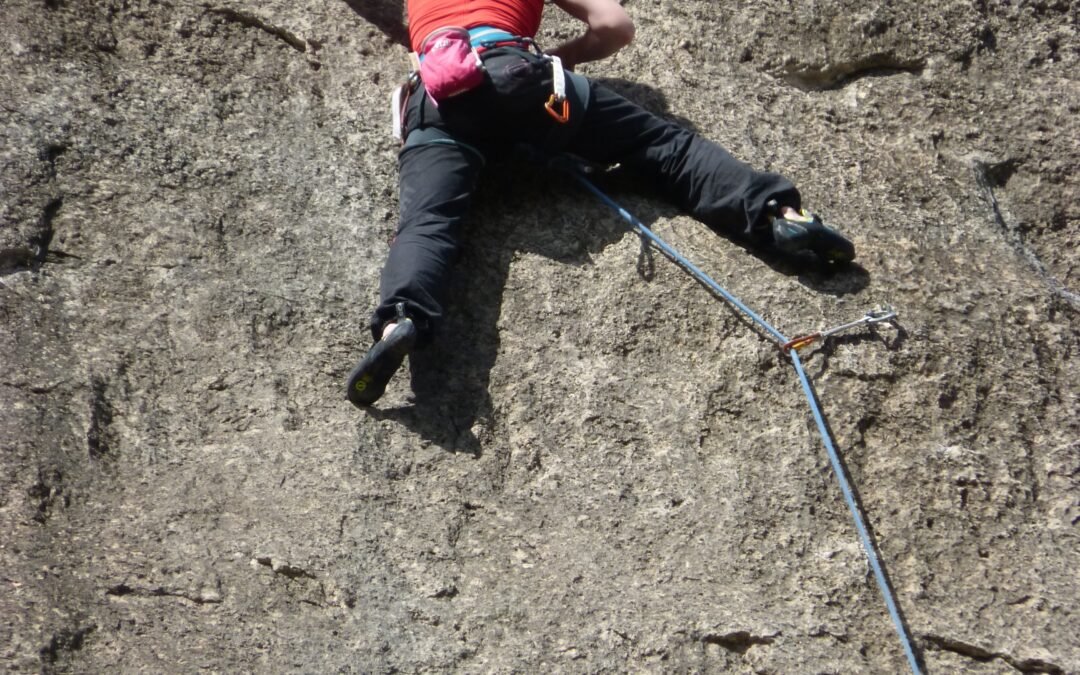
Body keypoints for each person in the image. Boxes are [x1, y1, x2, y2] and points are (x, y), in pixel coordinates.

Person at [346, 0, 855, 408]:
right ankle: (777, 215)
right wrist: (560, 58)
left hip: (440, 102)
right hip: (526, 81)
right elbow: (614, 25)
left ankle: (401, 321)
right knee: (668, 150)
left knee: (428, 223)